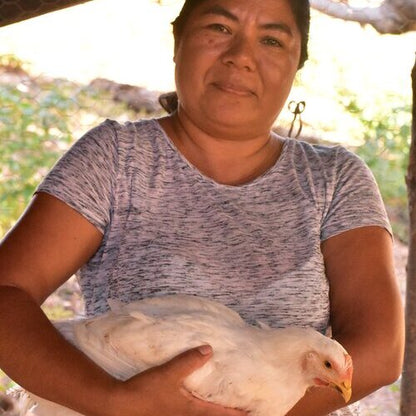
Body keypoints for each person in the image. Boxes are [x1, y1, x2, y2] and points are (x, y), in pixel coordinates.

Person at [0, 0, 404, 415]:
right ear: (178, 41)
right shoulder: (116, 159)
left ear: (297, 63)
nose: (241, 57)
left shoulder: (334, 179)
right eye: (220, 28)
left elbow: (379, 350)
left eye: (271, 39)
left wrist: (251, 409)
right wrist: (116, 401)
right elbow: (5, 295)